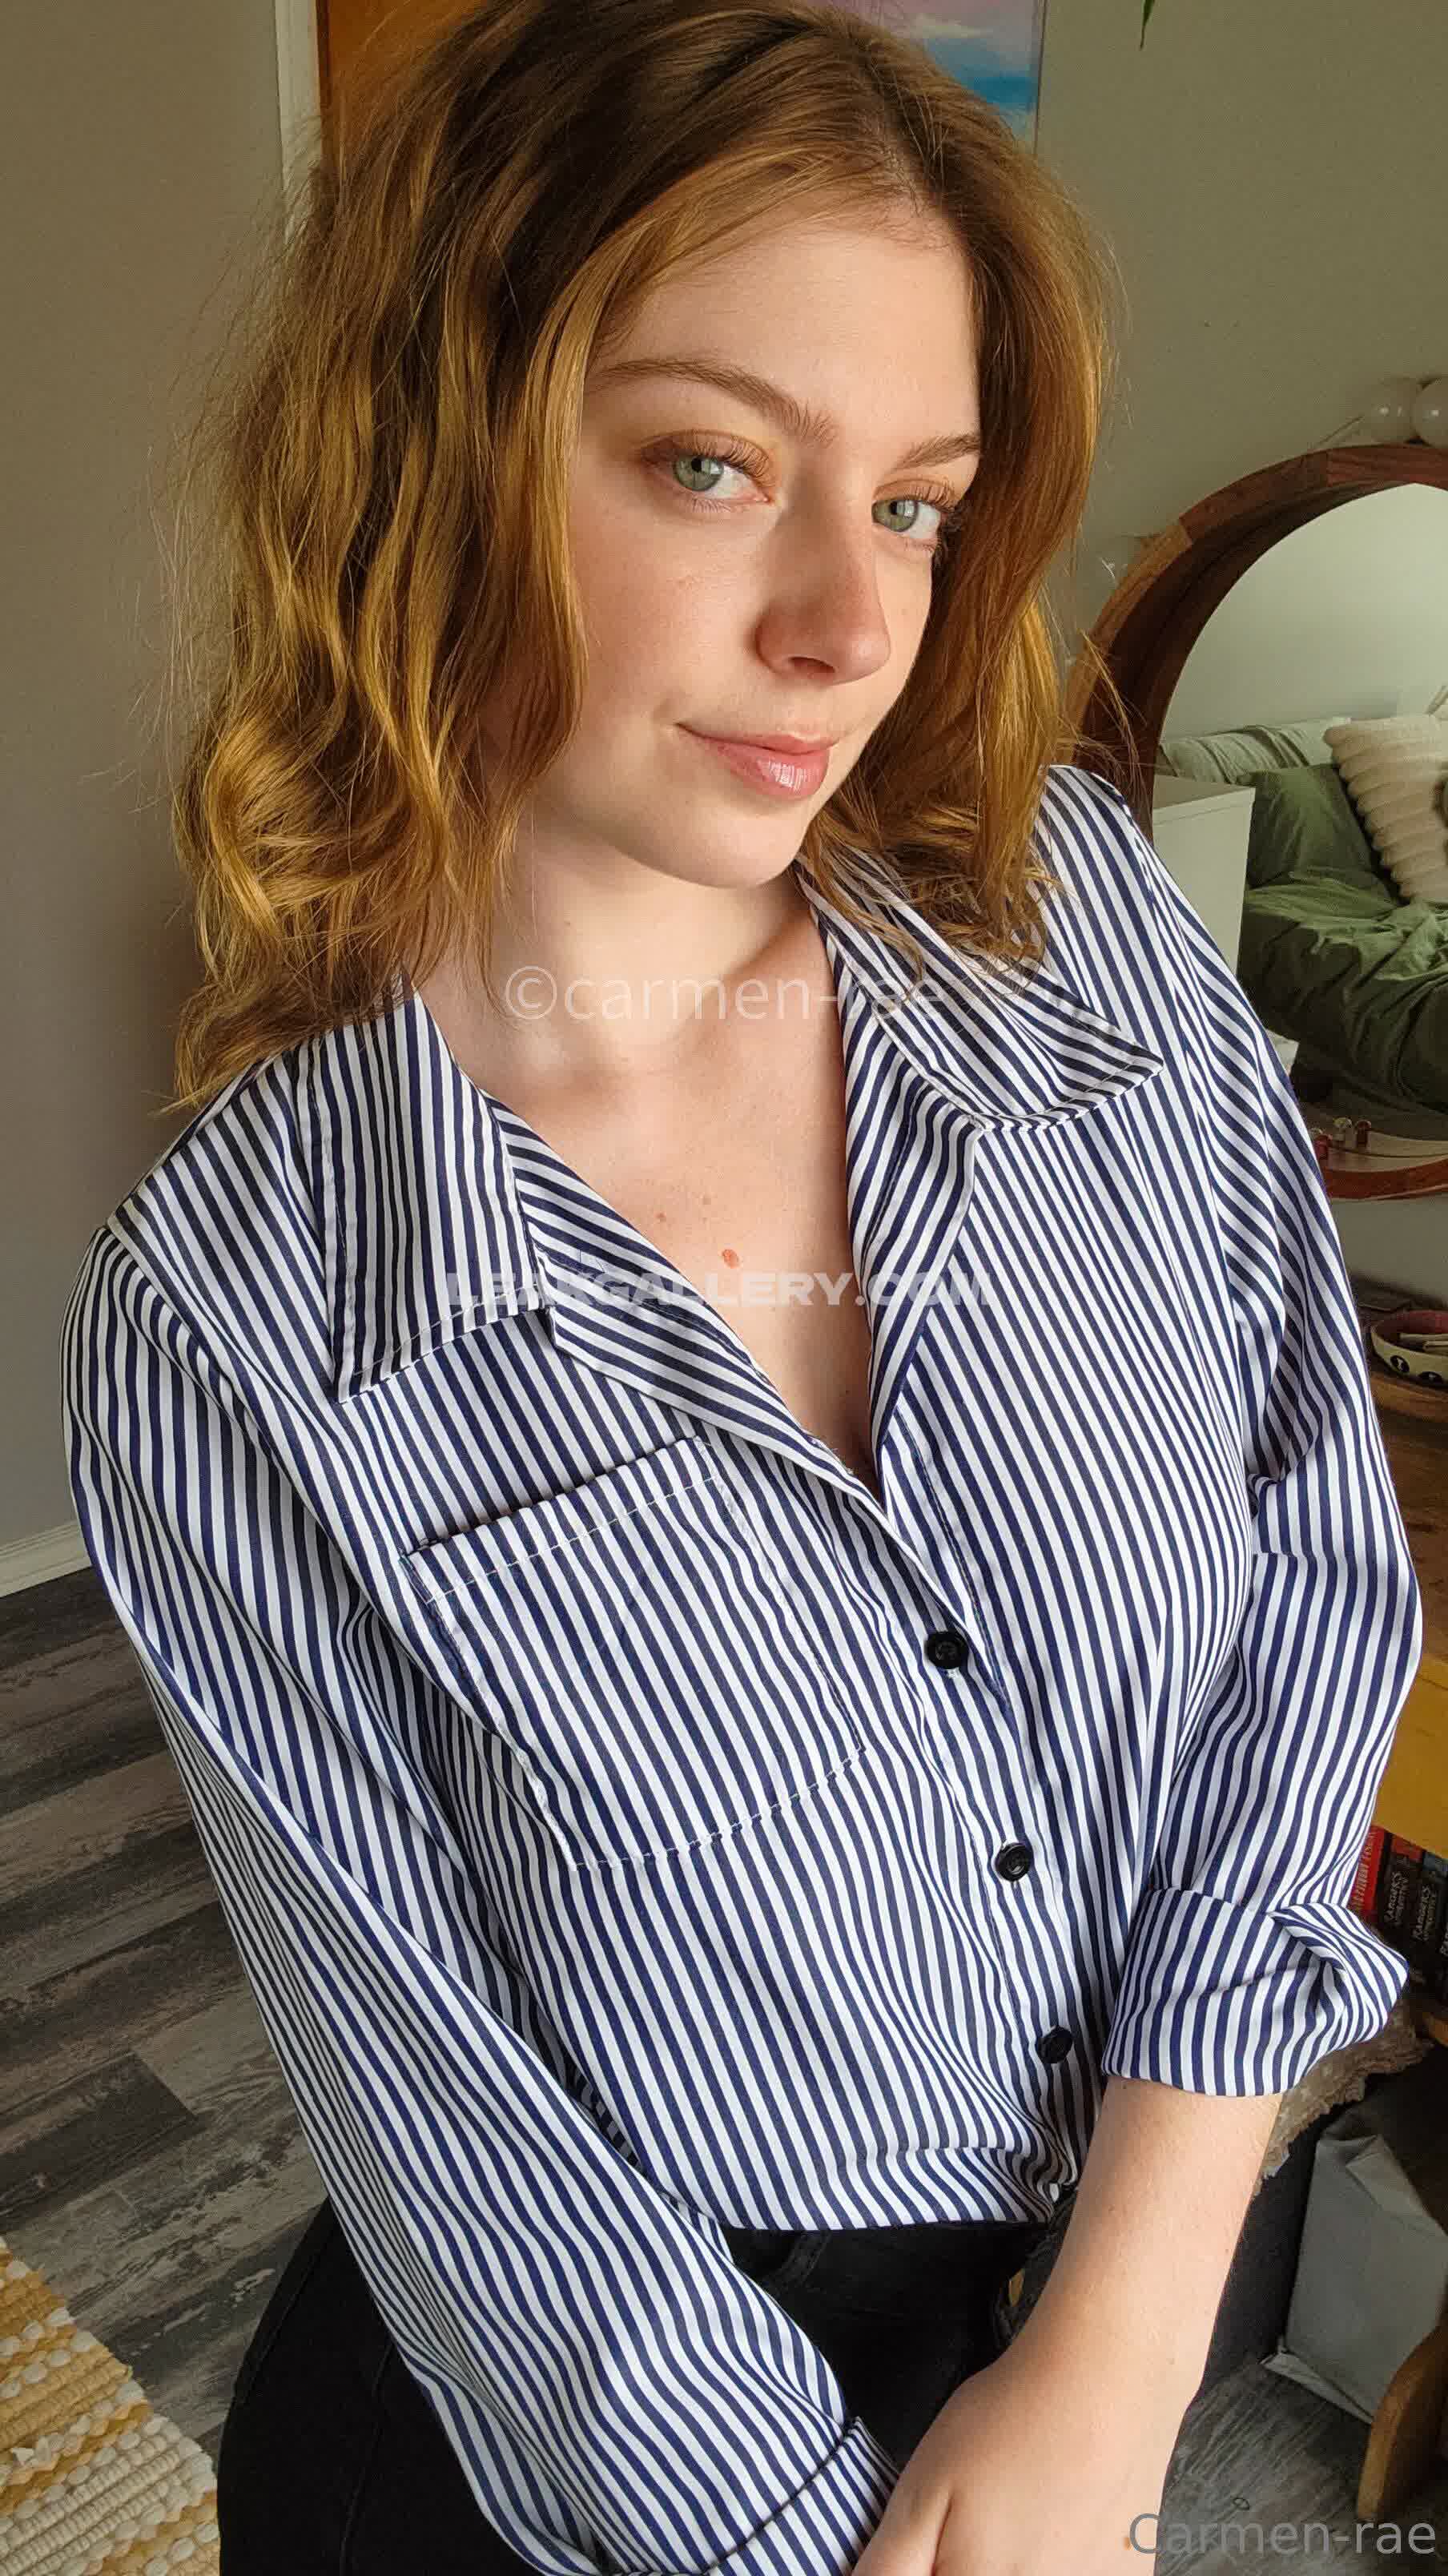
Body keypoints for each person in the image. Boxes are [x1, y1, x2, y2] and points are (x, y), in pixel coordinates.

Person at [59, 2, 1424, 2571]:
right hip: (624, 2449)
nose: (847, 622)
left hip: (1144, 2281)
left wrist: (1120, 2349)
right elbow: (439, 2110)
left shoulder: (1080, 941)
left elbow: (1311, 1594)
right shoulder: (242, 1310)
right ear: (433, 457)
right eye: (711, 464)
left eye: (914, 504)